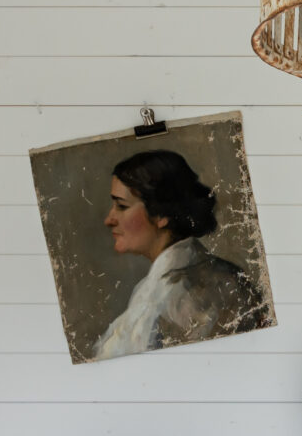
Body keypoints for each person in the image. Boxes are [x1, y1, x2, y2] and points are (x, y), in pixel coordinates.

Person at [93, 150, 266, 359]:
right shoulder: (161, 285)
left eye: (121, 206)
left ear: (161, 214)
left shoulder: (177, 294)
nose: (109, 219)